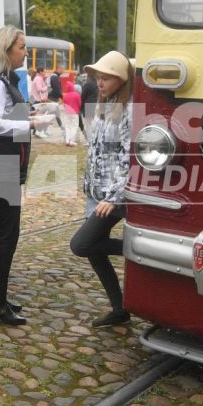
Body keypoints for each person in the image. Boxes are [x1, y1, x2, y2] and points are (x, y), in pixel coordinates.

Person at [0, 26, 48, 326]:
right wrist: (30, 126)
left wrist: (30, 118)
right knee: (4, 237)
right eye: (21, 47)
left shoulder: (2, 81)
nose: (25, 52)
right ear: (5, 50)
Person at [71, 51, 133, 329]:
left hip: (113, 196)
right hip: (95, 191)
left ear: (121, 78)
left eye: (106, 77)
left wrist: (115, 197)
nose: (100, 82)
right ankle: (119, 309)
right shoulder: (102, 104)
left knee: (81, 244)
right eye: (98, 77)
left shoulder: (131, 111)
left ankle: (138, 250)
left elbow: (131, 160)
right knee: (95, 252)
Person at [59, 67, 84, 146]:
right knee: (74, 126)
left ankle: (67, 140)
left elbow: (64, 104)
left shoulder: (65, 95)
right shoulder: (76, 95)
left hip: (67, 113)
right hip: (75, 112)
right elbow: (80, 103)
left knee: (67, 126)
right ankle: (72, 141)